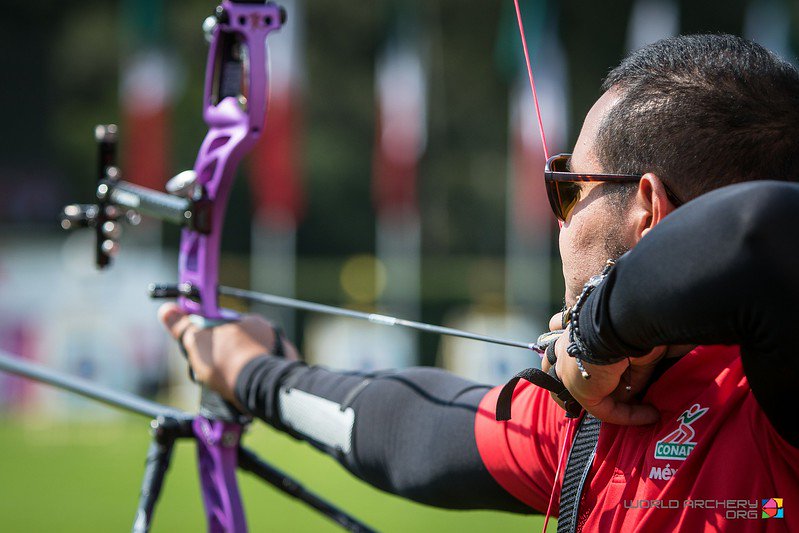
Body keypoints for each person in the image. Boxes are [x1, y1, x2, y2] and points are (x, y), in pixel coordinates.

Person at [159, 34, 799, 531]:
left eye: (568, 190)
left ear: (647, 213)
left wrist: (597, 330)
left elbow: (759, 231)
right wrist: (255, 372)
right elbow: (409, 432)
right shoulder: (606, 404)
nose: (560, 221)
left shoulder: (762, 393)